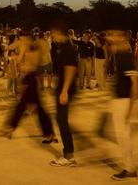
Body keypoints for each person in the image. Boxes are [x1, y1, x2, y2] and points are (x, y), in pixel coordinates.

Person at [0, 31, 56, 142]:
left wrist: (17, 57)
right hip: (29, 79)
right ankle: (48, 132)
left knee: (25, 107)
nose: (21, 41)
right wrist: (11, 48)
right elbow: (13, 47)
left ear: (27, 38)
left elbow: (28, 66)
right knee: (26, 107)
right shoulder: (30, 46)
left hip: (31, 79)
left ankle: (11, 127)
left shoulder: (32, 49)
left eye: (22, 39)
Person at [107, 30, 138, 181]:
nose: (110, 37)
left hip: (124, 100)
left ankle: (130, 169)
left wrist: (133, 106)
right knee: (121, 134)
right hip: (119, 99)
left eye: (113, 35)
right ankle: (129, 167)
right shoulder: (118, 55)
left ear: (122, 38)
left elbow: (135, 83)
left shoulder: (126, 56)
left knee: (123, 135)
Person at [49, 25, 79, 168]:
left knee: (62, 120)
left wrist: (64, 90)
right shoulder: (64, 46)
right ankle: (68, 154)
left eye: (54, 33)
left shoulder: (68, 47)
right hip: (64, 88)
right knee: (61, 119)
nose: (53, 36)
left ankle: (69, 156)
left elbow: (71, 68)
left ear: (60, 33)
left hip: (66, 89)